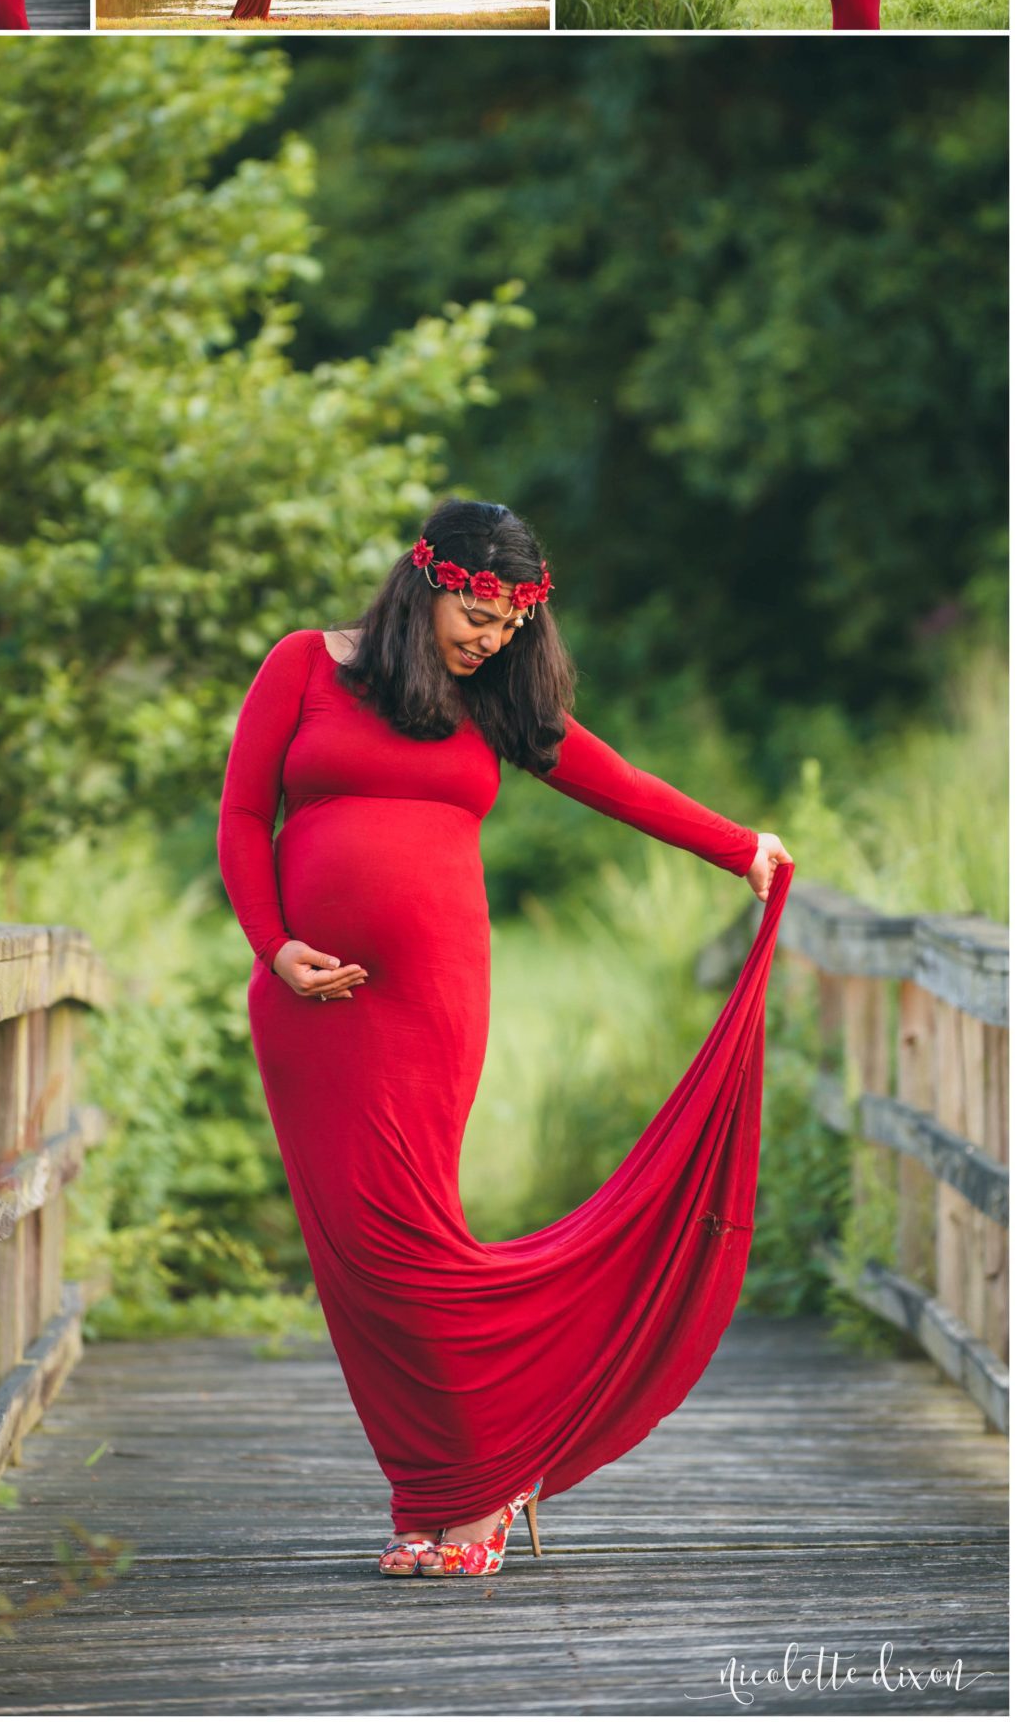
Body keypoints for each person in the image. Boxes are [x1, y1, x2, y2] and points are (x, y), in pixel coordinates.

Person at [217, 498, 794, 1579]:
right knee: (356, 1263)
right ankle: (429, 1488)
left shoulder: (492, 702)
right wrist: (274, 946)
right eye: (474, 611)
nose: (488, 636)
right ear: (422, 583)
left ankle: (469, 1485)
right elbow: (245, 817)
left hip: (430, 997)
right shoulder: (303, 665)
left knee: (410, 1239)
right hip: (305, 1001)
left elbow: (613, 779)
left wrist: (739, 849)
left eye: (508, 622)